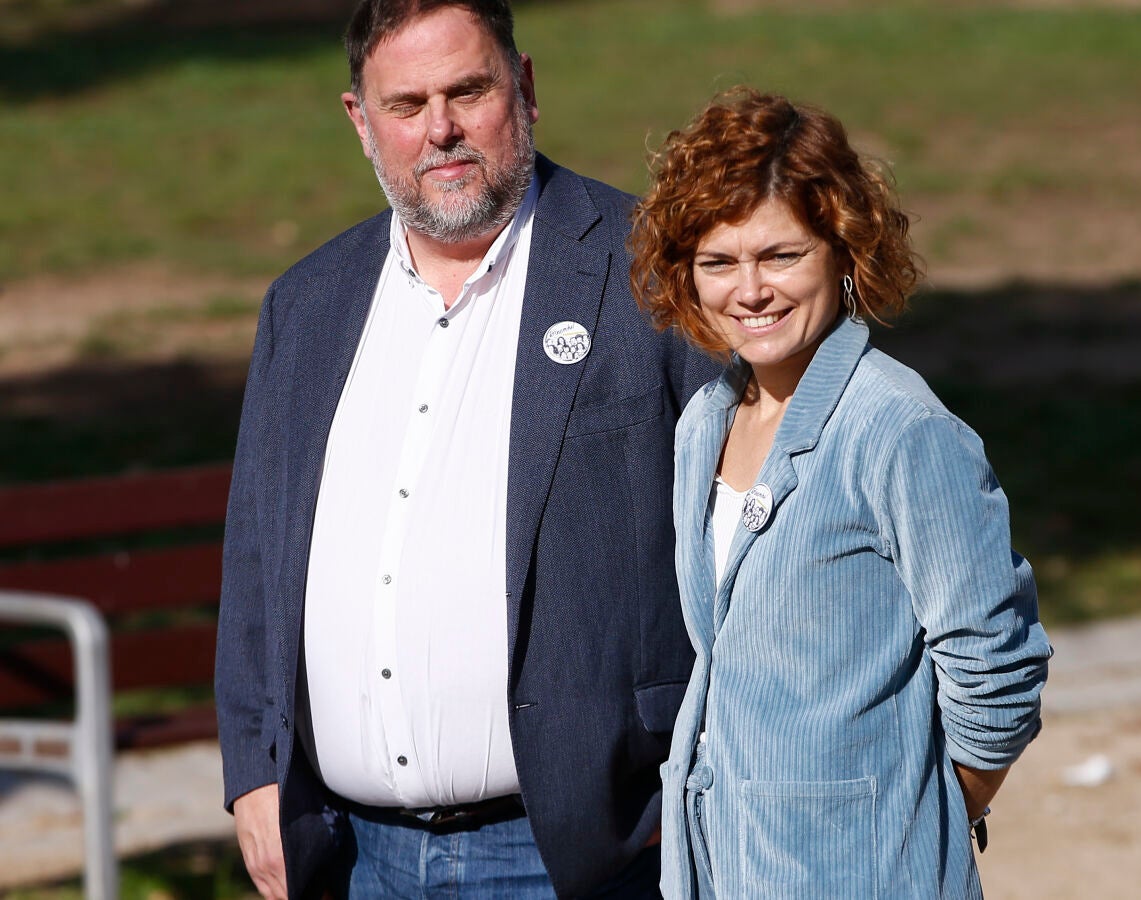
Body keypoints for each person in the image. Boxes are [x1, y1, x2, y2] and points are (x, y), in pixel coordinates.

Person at [213, 1, 718, 897]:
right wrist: (255, 769)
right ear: (360, 121)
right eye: (406, 105)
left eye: (468, 91)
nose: (439, 129)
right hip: (350, 856)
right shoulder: (306, 304)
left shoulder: (652, 272)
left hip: (584, 851)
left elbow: (750, 536)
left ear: (523, 86)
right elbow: (258, 552)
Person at [629, 88, 1053, 898]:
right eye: (719, 263)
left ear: (843, 251)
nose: (750, 290)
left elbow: (997, 667)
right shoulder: (703, 424)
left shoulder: (898, 429)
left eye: (780, 255)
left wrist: (921, 817)